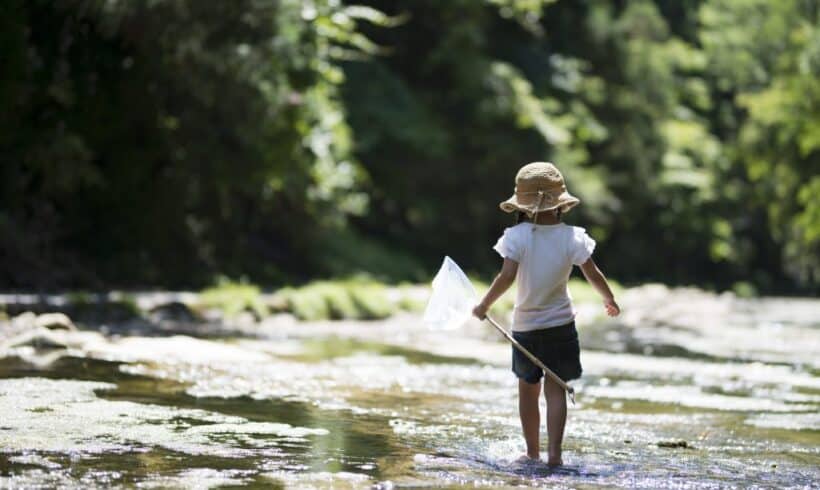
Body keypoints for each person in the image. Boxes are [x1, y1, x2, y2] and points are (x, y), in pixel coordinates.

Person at [472, 161, 620, 467]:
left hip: (526, 327)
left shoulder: (517, 236)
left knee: (528, 392)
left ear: (523, 204)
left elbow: (506, 277)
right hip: (561, 326)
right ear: (560, 203)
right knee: (556, 390)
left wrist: (484, 304)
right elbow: (593, 273)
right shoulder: (573, 237)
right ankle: (555, 455)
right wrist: (609, 299)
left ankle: (532, 452)